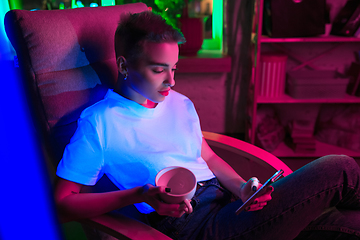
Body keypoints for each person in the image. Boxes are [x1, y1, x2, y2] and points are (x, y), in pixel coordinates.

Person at [54, 11, 360, 240]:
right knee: (339, 169)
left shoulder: (179, 103)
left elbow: (207, 157)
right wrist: (138, 196)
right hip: (196, 226)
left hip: (232, 206)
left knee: (348, 224)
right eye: (159, 70)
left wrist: (243, 188)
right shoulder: (99, 122)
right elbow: (63, 204)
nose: (171, 81)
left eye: (174, 68)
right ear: (123, 66)